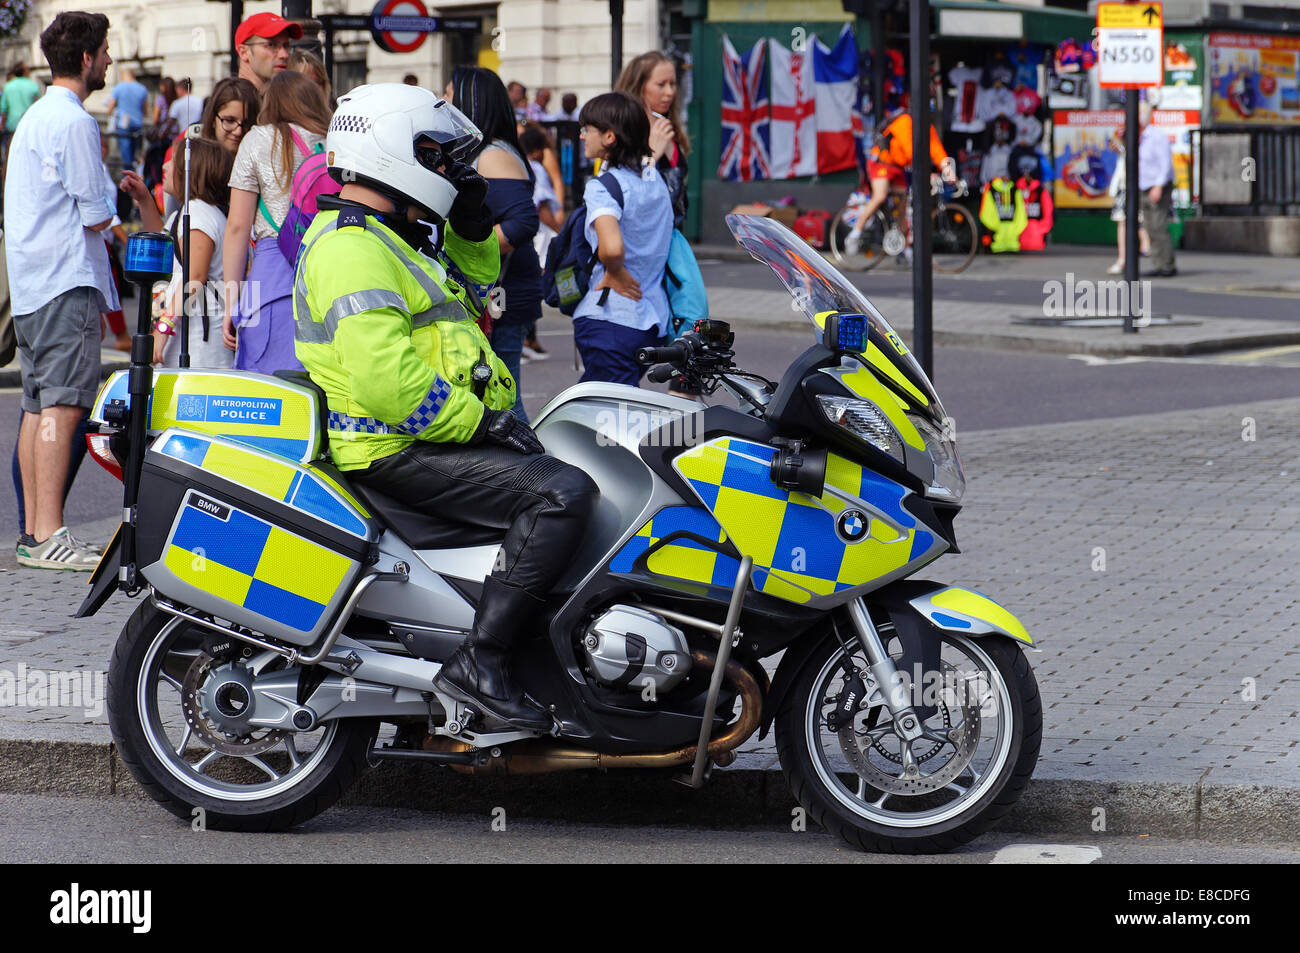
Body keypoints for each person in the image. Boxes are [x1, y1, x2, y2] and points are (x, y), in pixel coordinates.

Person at [295, 83, 597, 730]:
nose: (447, 169)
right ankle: (479, 664)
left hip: (428, 435)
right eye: (434, 155)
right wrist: (482, 422)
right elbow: (387, 381)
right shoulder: (351, 248)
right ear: (389, 152)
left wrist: (471, 224)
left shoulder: (393, 233)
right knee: (562, 493)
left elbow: (475, 290)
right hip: (394, 445)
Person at [6, 11, 115, 570]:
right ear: (87, 58)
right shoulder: (73, 122)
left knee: (36, 407)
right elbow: (95, 213)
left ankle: (33, 533)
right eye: (105, 51)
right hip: (63, 278)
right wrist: (116, 204)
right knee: (64, 406)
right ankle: (50, 533)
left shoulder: (34, 115)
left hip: (33, 282)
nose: (110, 61)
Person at [448, 66, 544, 420]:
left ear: (470, 103)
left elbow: (523, 222)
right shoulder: (488, 151)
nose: (442, 103)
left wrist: (472, 253)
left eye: (448, 95)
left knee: (505, 396)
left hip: (500, 293)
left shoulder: (492, 155)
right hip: (496, 291)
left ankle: (532, 468)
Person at [222, 70, 330, 374]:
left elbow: (237, 227)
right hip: (328, 272)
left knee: (265, 390)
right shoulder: (334, 140)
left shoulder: (259, 140)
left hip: (271, 276)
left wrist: (232, 300)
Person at [572, 91, 673, 388]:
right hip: (651, 319)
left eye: (586, 130)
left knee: (602, 420)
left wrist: (615, 272)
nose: (581, 137)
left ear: (609, 137)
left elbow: (612, 247)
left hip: (612, 317)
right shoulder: (655, 182)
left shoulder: (602, 188)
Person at [151, 139, 235, 369]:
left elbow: (194, 277)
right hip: (194, 341)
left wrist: (163, 327)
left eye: (172, 162)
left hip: (199, 347)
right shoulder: (201, 212)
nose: (165, 167)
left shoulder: (197, 213)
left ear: (191, 171)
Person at [845, 99, 957, 256]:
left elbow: (937, 149)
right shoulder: (904, 121)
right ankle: (855, 234)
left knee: (903, 205)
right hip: (881, 163)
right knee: (880, 196)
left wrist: (948, 171)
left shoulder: (927, 128)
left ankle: (905, 249)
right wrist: (928, 171)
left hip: (898, 168)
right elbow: (909, 150)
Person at [616, 52, 691, 230]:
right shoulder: (625, 131)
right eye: (661, 84)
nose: (670, 92)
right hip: (643, 236)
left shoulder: (669, 127)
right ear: (640, 86)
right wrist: (652, 157)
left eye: (672, 84)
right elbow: (630, 188)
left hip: (671, 233)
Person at [1138, 102, 1177, 278]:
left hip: (1157, 186)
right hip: (1143, 185)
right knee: (1149, 227)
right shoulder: (1137, 136)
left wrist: (1158, 186)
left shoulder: (1156, 137)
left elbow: (1165, 165)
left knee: (1159, 225)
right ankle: (1157, 263)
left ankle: (1167, 264)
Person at [1106, 126, 1149, 275]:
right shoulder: (1126, 150)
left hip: (1137, 188)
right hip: (1125, 190)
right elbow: (1121, 150)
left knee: (1137, 222)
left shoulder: (1141, 148)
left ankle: (1142, 249)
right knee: (1124, 222)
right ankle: (1123, 258)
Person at [235, 11, 301, 95]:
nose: (284, 55)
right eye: (271, 45)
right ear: (243, 52)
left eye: (286, 45)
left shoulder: (278, 100)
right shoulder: (235, 102)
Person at [104, 65, 148, 170]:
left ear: (122, 76)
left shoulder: (118, 88)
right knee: (136, 158)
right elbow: (145, 111)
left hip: (123, 126)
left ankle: (127, 181)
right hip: (137, 125)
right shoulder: (142, 89)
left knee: (126, 159)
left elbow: (109, 109)